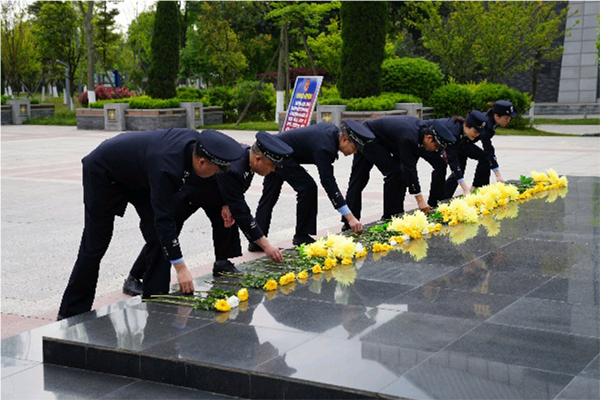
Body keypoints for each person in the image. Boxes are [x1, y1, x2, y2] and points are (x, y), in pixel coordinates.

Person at [58, 128, 244, 319]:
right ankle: (70, 313)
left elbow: (166, 218)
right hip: (103, 173)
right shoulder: (167, 166)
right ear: (202, 162)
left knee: (157, 234)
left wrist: (224, 202)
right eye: (217, 169)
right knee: (95, 245)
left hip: (139, 174)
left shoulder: (197, 146)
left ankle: (155, 296)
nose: (218, 174)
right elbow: (163, 219)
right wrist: (181, 269)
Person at [123, 131, 293, 296]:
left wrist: (227, 203)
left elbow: (235, 195)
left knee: (225, 220)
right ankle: (135, 277)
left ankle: (222, 262)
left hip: (214, 193)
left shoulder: (246, 158)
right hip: (189, 193)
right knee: (165, 234)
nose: (272, 171)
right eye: (272, 166)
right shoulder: (235, 167)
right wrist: (266, 245)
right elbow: (242, 211)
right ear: (258, 159)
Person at [249, 120, 375, 251]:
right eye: (354, 148)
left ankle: (256, 241)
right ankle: (301, 236)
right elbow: (328, 183)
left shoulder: (331, 133)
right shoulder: (325, 147)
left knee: (269, 197)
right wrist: (350, 217)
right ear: (344, 139)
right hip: (278, 155)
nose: (353, 152)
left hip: (272, 150)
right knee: (308, 187)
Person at [343, 116, 456, 231]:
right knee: (386, 174)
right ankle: (386, 217)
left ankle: (395, 214)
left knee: (397, 173)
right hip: (367, 136)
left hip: (382, 140)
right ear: (429, 138)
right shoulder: (409, 137)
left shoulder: (419, 133)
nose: (436, 150)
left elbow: (408, 170)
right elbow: (409, 168)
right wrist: (420, 200)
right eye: (436, 146)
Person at [445, 101, 518, 197]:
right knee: (485, 158)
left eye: (509, 118)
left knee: (459, 171)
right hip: (461, 143)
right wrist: (498, 175)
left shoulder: (490, 122)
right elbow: (488, 148)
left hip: (464, 143)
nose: (508, 120)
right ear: (496, 116)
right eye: (506, 118)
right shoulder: (486, 125)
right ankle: (478, 189)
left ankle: (444, 197)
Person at [421, 110, 490, 199]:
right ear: (466, 126)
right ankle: (435, 202)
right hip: (426, 140)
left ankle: (441, 199)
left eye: (479, 133)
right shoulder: (454, 133)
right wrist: (465, 188)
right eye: (475, 132)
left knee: (445, 167)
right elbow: (452, 159)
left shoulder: (462, 131)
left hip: (435, 142)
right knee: (440, 166)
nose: (477, 135)